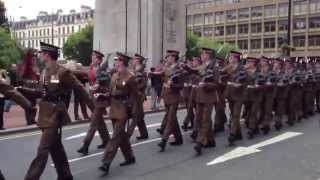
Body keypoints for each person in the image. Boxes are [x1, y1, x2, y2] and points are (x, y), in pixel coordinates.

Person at [21, 42, 94, 180]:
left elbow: (80, 89)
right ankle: (65, 176)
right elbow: (40, 92)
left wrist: (94, 109)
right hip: (44, 114)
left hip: (55, 115)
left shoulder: (62, 72)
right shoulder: (44, 72)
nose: (40, 56)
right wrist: (22, 90)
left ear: (47, 55)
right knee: (56, 148)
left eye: (42, 53)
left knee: (42, 151)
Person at [99, 52, 138, 174]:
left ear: (122, 62)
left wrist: (132, 108)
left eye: (117, 61)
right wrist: (103, 95)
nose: (115, 63)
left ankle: (106, 162)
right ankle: (130, 157)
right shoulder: (114, 75)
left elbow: (135, 95)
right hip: (114, 107)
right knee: (121, 135)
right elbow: (111, 91)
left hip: (123, 108)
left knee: (115, 136)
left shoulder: (130, 77)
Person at [77, 50, 111, 155]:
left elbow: (106, 86)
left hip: (101, 100)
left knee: (93, 123)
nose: (92, 58)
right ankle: (106, 140)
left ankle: (85, 145)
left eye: (94, 57)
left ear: (99, 60)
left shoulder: (103, 71)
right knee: (99, 122)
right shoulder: (91, 69)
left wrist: (98, 87)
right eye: (92, 56)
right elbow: (89, 80)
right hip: (94, 99)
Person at [157, 50, 184, 152]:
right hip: (167, 96)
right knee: (172, 119)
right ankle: (178, 139)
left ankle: (164, 140)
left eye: (168, 57)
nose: (166, 58)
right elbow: (161, 79)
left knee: (170, 119)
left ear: (173, 58)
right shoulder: (166, 68)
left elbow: (181, 85)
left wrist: (171, 85)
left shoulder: (178, 69)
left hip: (174, 97)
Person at [127, 53, 149, 140]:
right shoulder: (133, 70)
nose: (133, 60)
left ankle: (128, 134)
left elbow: (143, 84)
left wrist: (133, 86)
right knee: (139, 114)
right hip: (133, 95)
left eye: (135, 59)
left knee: (135, 114)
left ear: (138, 61)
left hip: (139, 95)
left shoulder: (142, 71)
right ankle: (144, 133)